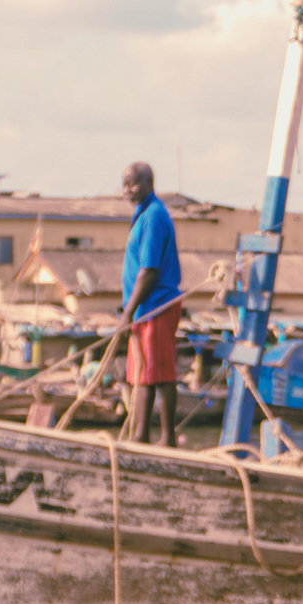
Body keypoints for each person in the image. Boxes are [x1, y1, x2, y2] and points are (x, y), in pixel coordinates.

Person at [118, 162, 182, 446]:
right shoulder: (142, 214)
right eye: (124, 184)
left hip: (156, 305)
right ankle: (140, 436)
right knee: (141, 374)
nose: (126, 190)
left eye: (132, 183)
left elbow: (149, 270)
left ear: (148, 183)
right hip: (144, 310)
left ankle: (165, 439)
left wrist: (126, 313)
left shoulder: (154, 215)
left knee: (159, 372)